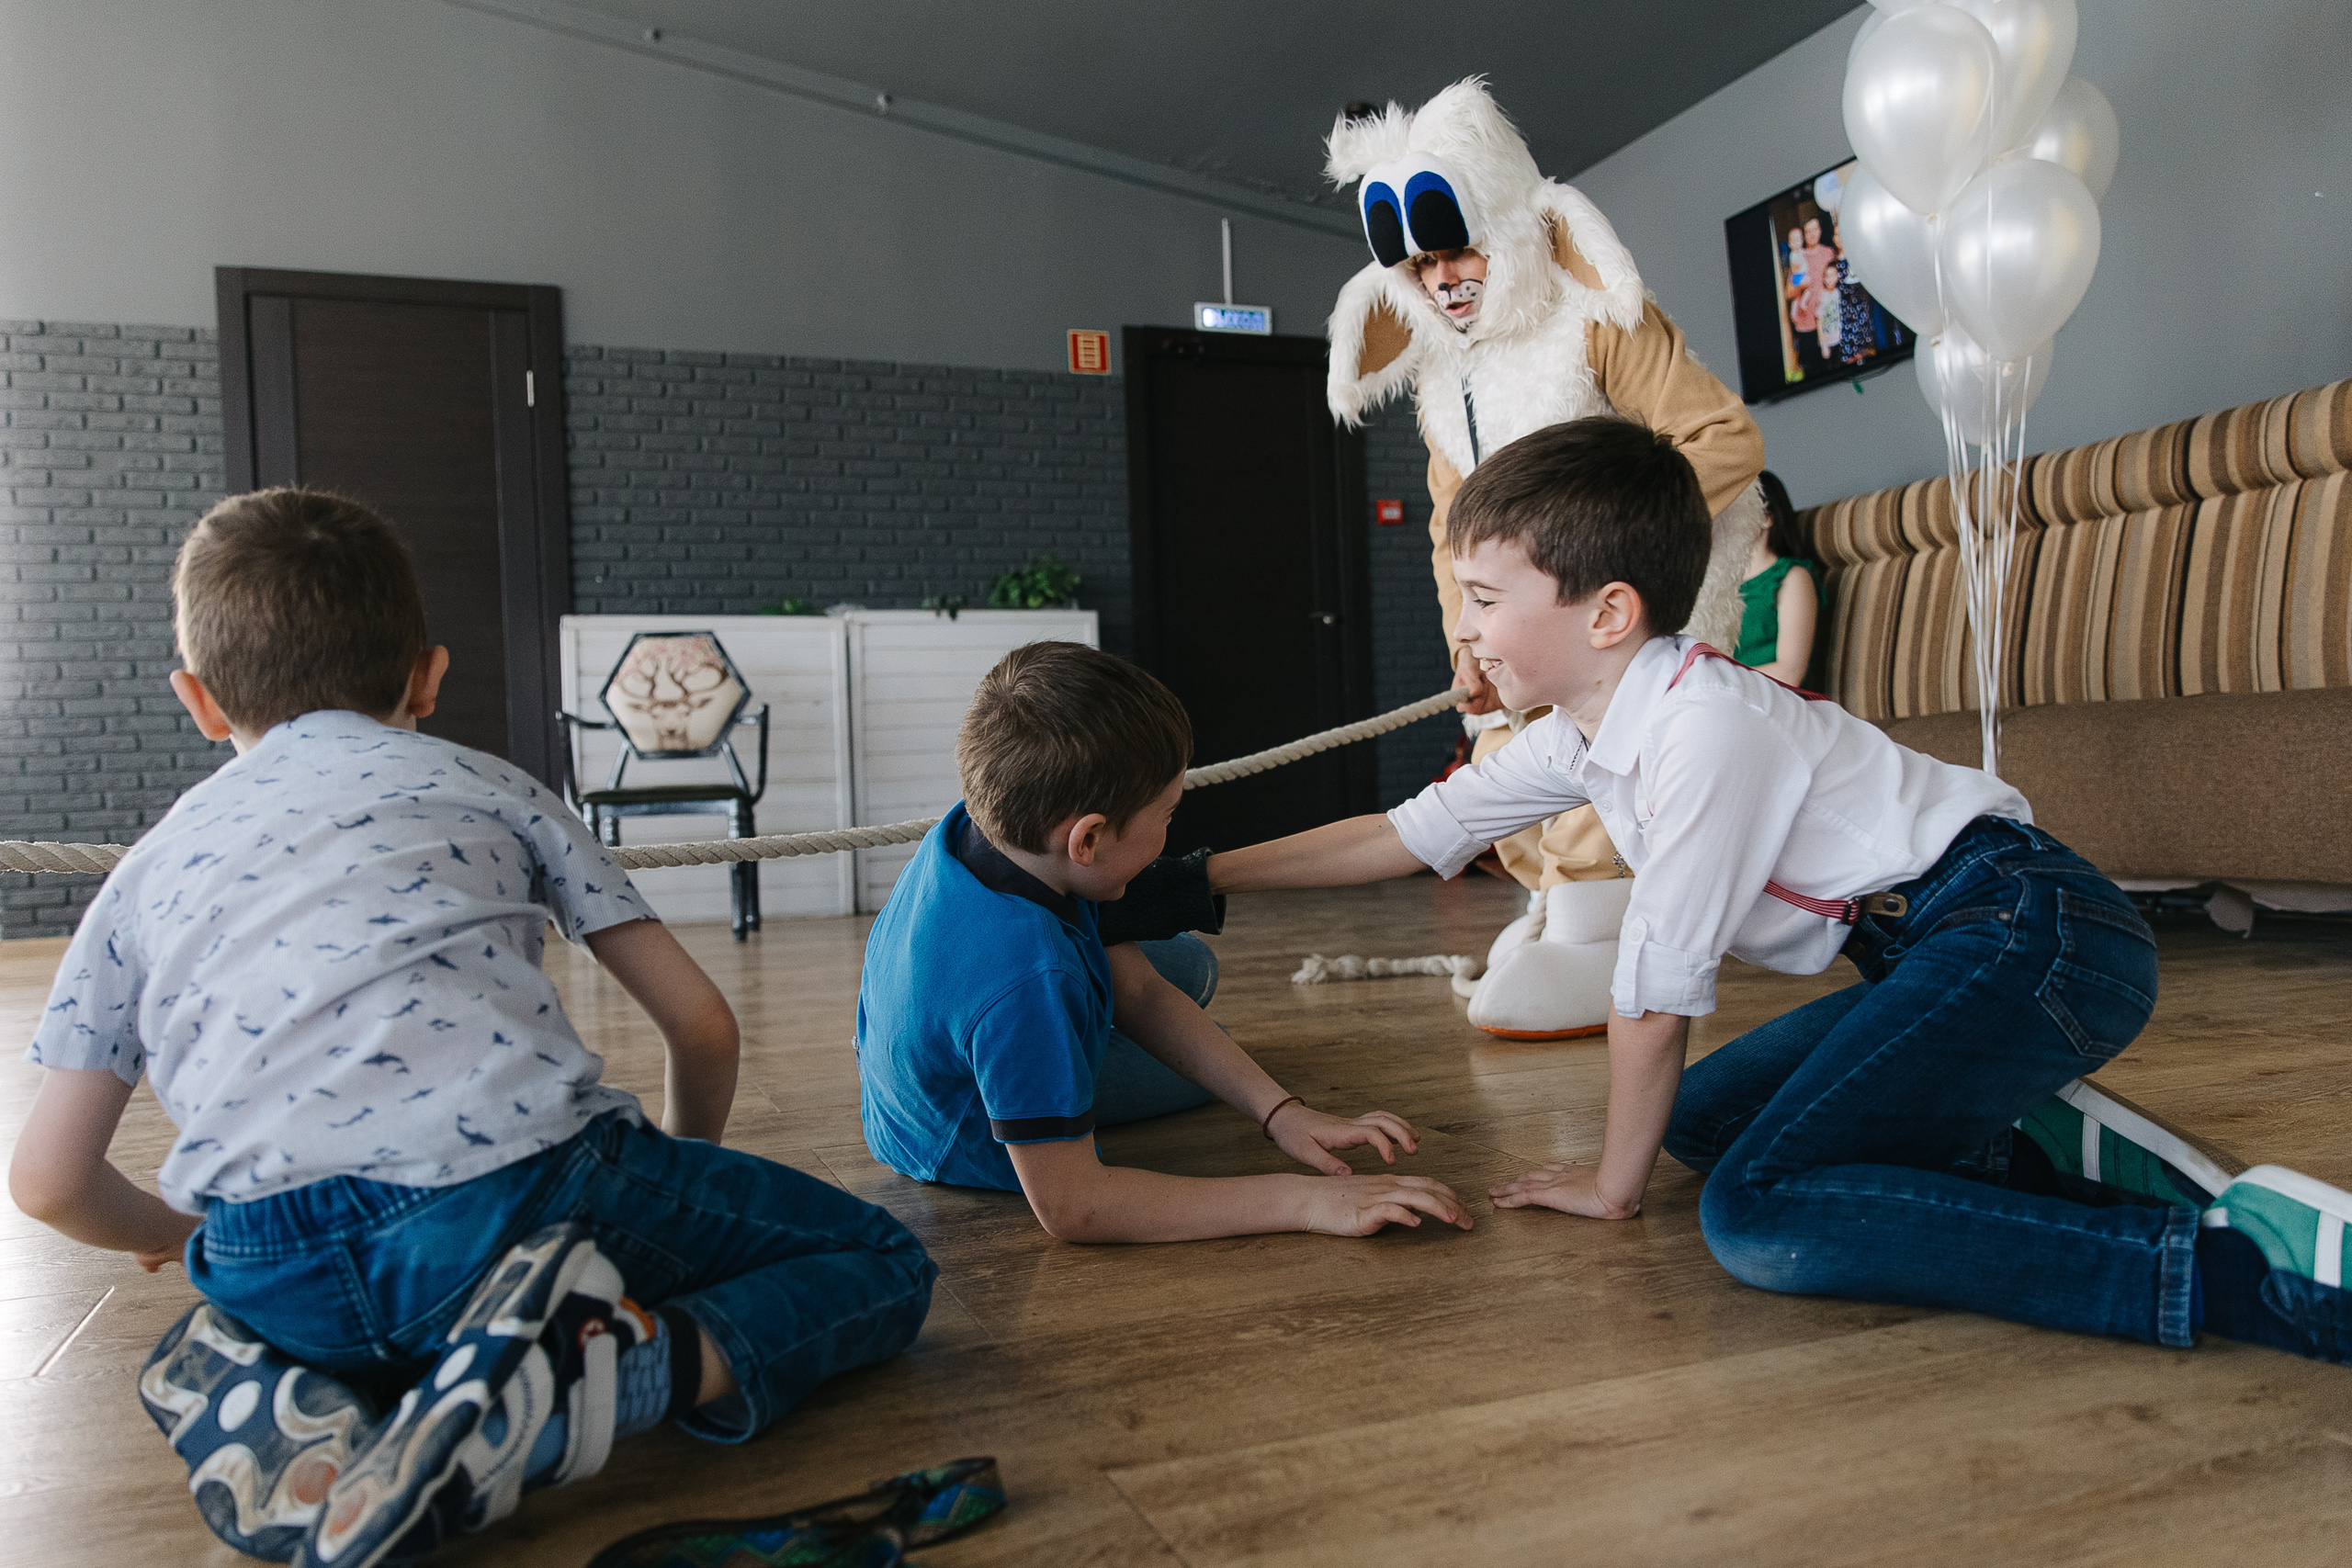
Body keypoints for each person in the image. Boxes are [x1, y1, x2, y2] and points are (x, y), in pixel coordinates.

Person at [1201, 415, 2352, 1368]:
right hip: (1953, 948)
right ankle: (2032, 1142)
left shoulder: (1701, 729)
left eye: (1483, 597)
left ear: (1606, 613)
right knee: (1704, 1120)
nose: (1464, 629)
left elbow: (1655, 990)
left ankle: (2220, 1273)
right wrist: (1192, 879)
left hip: (2031, 935)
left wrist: (1611, 1186)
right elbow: (1406, 836)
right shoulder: (1587, 730)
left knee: (1754, 1214)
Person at [6, 489, 935, 1568]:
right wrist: (680, 1175)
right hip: (514, 1196)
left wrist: (183, 1239)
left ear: (200, 702)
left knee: (348, 1295)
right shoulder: (494, 786)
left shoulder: (143, 872)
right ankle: (604, 1377)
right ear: (427, 676)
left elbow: (48, 1182)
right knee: (880, 1258)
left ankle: (297, 1382)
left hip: (270, 1256)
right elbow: (702, 1024)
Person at [1322, 78, 1770, 1040]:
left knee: (1603, 764)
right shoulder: (1444, 375)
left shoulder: (1598, 319)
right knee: (1503, 763)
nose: (1443, 278)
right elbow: (1455, 522)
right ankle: (1561, 911)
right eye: (1419, 264)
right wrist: (1470, 636)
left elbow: (1722, 440)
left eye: (1459, 246)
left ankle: (1602, 928)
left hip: (1633, 597)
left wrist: (1591, 561)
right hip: (1526, 613)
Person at [855, 640, 1472, 1244]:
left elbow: (1143, 989)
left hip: (904, 1089)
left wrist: (1282, 1111)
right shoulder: (1026, 981)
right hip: (956, 1137)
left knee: (1187, 968)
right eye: (1167, 814)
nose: (1173, 827)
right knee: (1208, 1049)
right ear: (1088, 840)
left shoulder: (987, 825)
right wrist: (1307, 1198)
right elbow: (1077, 1207)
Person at [1735, 470, 1824, 691]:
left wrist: (1716, 680)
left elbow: (1790, 672)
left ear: (1766, 518)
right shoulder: (1720, 587)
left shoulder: (1793, 578)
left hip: (1775, 701)